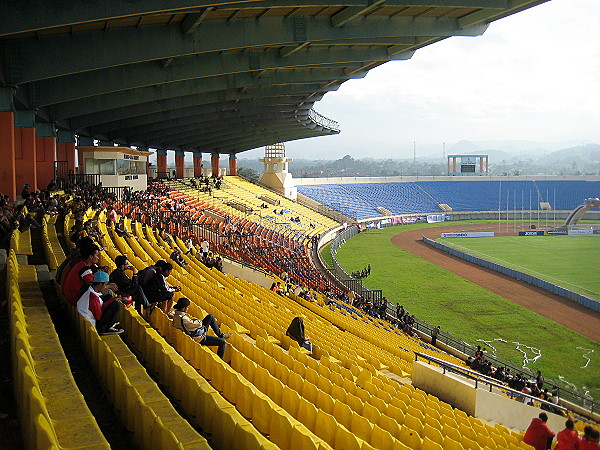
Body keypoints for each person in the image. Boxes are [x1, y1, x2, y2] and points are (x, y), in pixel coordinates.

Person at [77, 271, 123, 335]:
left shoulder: (90, 292)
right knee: (115, 304)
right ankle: (108, 328)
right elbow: (99, 316)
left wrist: (111, 301)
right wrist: (112, 302)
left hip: (90, 319)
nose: (106, 287)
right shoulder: (93, 298)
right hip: (96, 326)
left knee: (109, 297)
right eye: (105, 284)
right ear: (100, 284)